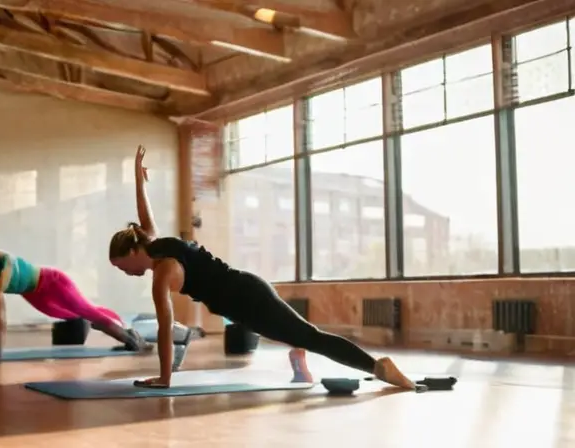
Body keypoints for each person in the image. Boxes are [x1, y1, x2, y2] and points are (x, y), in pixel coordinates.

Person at [108, 145, 418, 390]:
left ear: (134, 250)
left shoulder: (163, 271)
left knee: (311, 336)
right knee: (293, 333)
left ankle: (379, 367)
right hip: (243, 299)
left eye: (123, 266)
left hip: (248, 299)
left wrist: (165, 378)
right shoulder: (151, 241)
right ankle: (299, 357)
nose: (125, 273)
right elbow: (144, 213)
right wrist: (139, 178)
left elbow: (165, 328)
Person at [0, 161, 150, 357]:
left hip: (51, 282)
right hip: (34, 294)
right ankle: (121, 332)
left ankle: (132, 338)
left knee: (87, 311)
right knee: (77, 314)